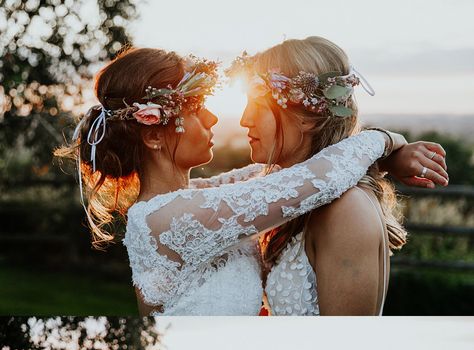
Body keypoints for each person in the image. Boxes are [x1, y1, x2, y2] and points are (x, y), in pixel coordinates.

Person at [56, 46, 416, 316]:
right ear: (152, 136)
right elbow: (315, 179)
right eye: (195, 109)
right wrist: (383, 140)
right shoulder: (163, 220)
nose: (214, 118)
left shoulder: (199, 198)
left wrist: (383, 160)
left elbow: (284, 177)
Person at [230, 36, 449, 314]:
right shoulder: (294, 194)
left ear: (305, 117)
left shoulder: (345, 211)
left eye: (257, 106)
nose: (244, 119)